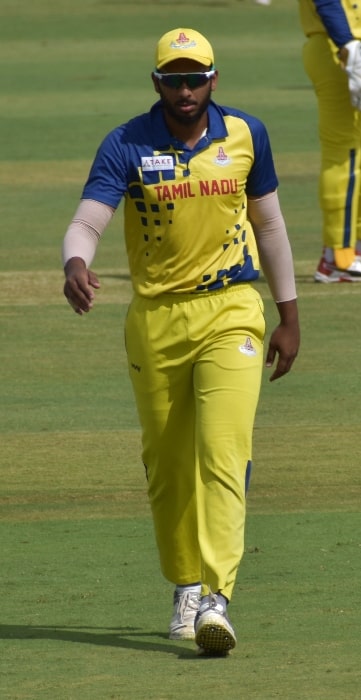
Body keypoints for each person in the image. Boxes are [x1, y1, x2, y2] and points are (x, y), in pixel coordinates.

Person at [62, 27, 300, 656]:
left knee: (224, 453)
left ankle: (217, 598)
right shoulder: (127, 143)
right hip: (157, 319)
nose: (187, 89)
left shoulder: (247, 135)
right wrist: (75, 263)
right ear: (157, 83)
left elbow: (269, 223)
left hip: (233, 312)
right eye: (175, 78)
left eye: (197, 77)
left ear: (214, 80)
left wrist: (289, 312)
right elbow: (89, 217)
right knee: (167, 470)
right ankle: (185, 585)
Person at [298, 0, 361, 282]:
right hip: (340, 46)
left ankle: (353, 249)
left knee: (356, 153)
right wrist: (348, 44)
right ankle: (338, 257)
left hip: (347, 45)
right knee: (344, 151)